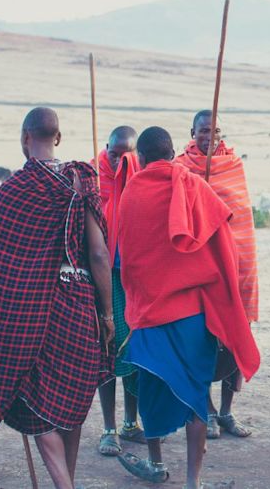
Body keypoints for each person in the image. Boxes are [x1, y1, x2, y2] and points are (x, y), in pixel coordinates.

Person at [0, 108, 114, 489]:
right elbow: (100, 255)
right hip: (80, 303)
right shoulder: (82, 180)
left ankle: (64, 485)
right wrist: (108, 312)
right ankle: (68, 481)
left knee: (37, 400)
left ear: (24, 138)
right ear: (59, 138)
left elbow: (1, 264)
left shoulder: (12, 192)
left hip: (29, 311)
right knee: (72, 399)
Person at [116, 126, 260, 488]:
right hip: (192, 315)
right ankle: (193, 479)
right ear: (172, 154)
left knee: (152, 388)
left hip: (150, 313)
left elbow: (129, 256)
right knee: (195, 393)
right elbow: (223, 247)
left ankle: (156, 462)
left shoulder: (133, 189)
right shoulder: (195, 186)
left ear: (143, 158)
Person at [175, 110, 258, 439]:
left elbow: (241, 218)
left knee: (233, 341)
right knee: (203, 341)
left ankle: (226, 412)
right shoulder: (181, 167)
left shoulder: (233, 164)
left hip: (237, 265)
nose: (210, 137)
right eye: (203, 131)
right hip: (202, 268)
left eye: (216, 131)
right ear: (191, 132)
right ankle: (206, 410)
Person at [93, 125, 145, 456]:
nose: (120, 161)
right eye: (115, 154)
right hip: (103, 280)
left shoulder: (142, 183)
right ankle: (108, 429)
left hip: (136, 279)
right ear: (106, 149)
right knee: (107, 351)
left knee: (136, 354)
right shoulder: (92, 181)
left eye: (128, 156)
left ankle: (131, 423)